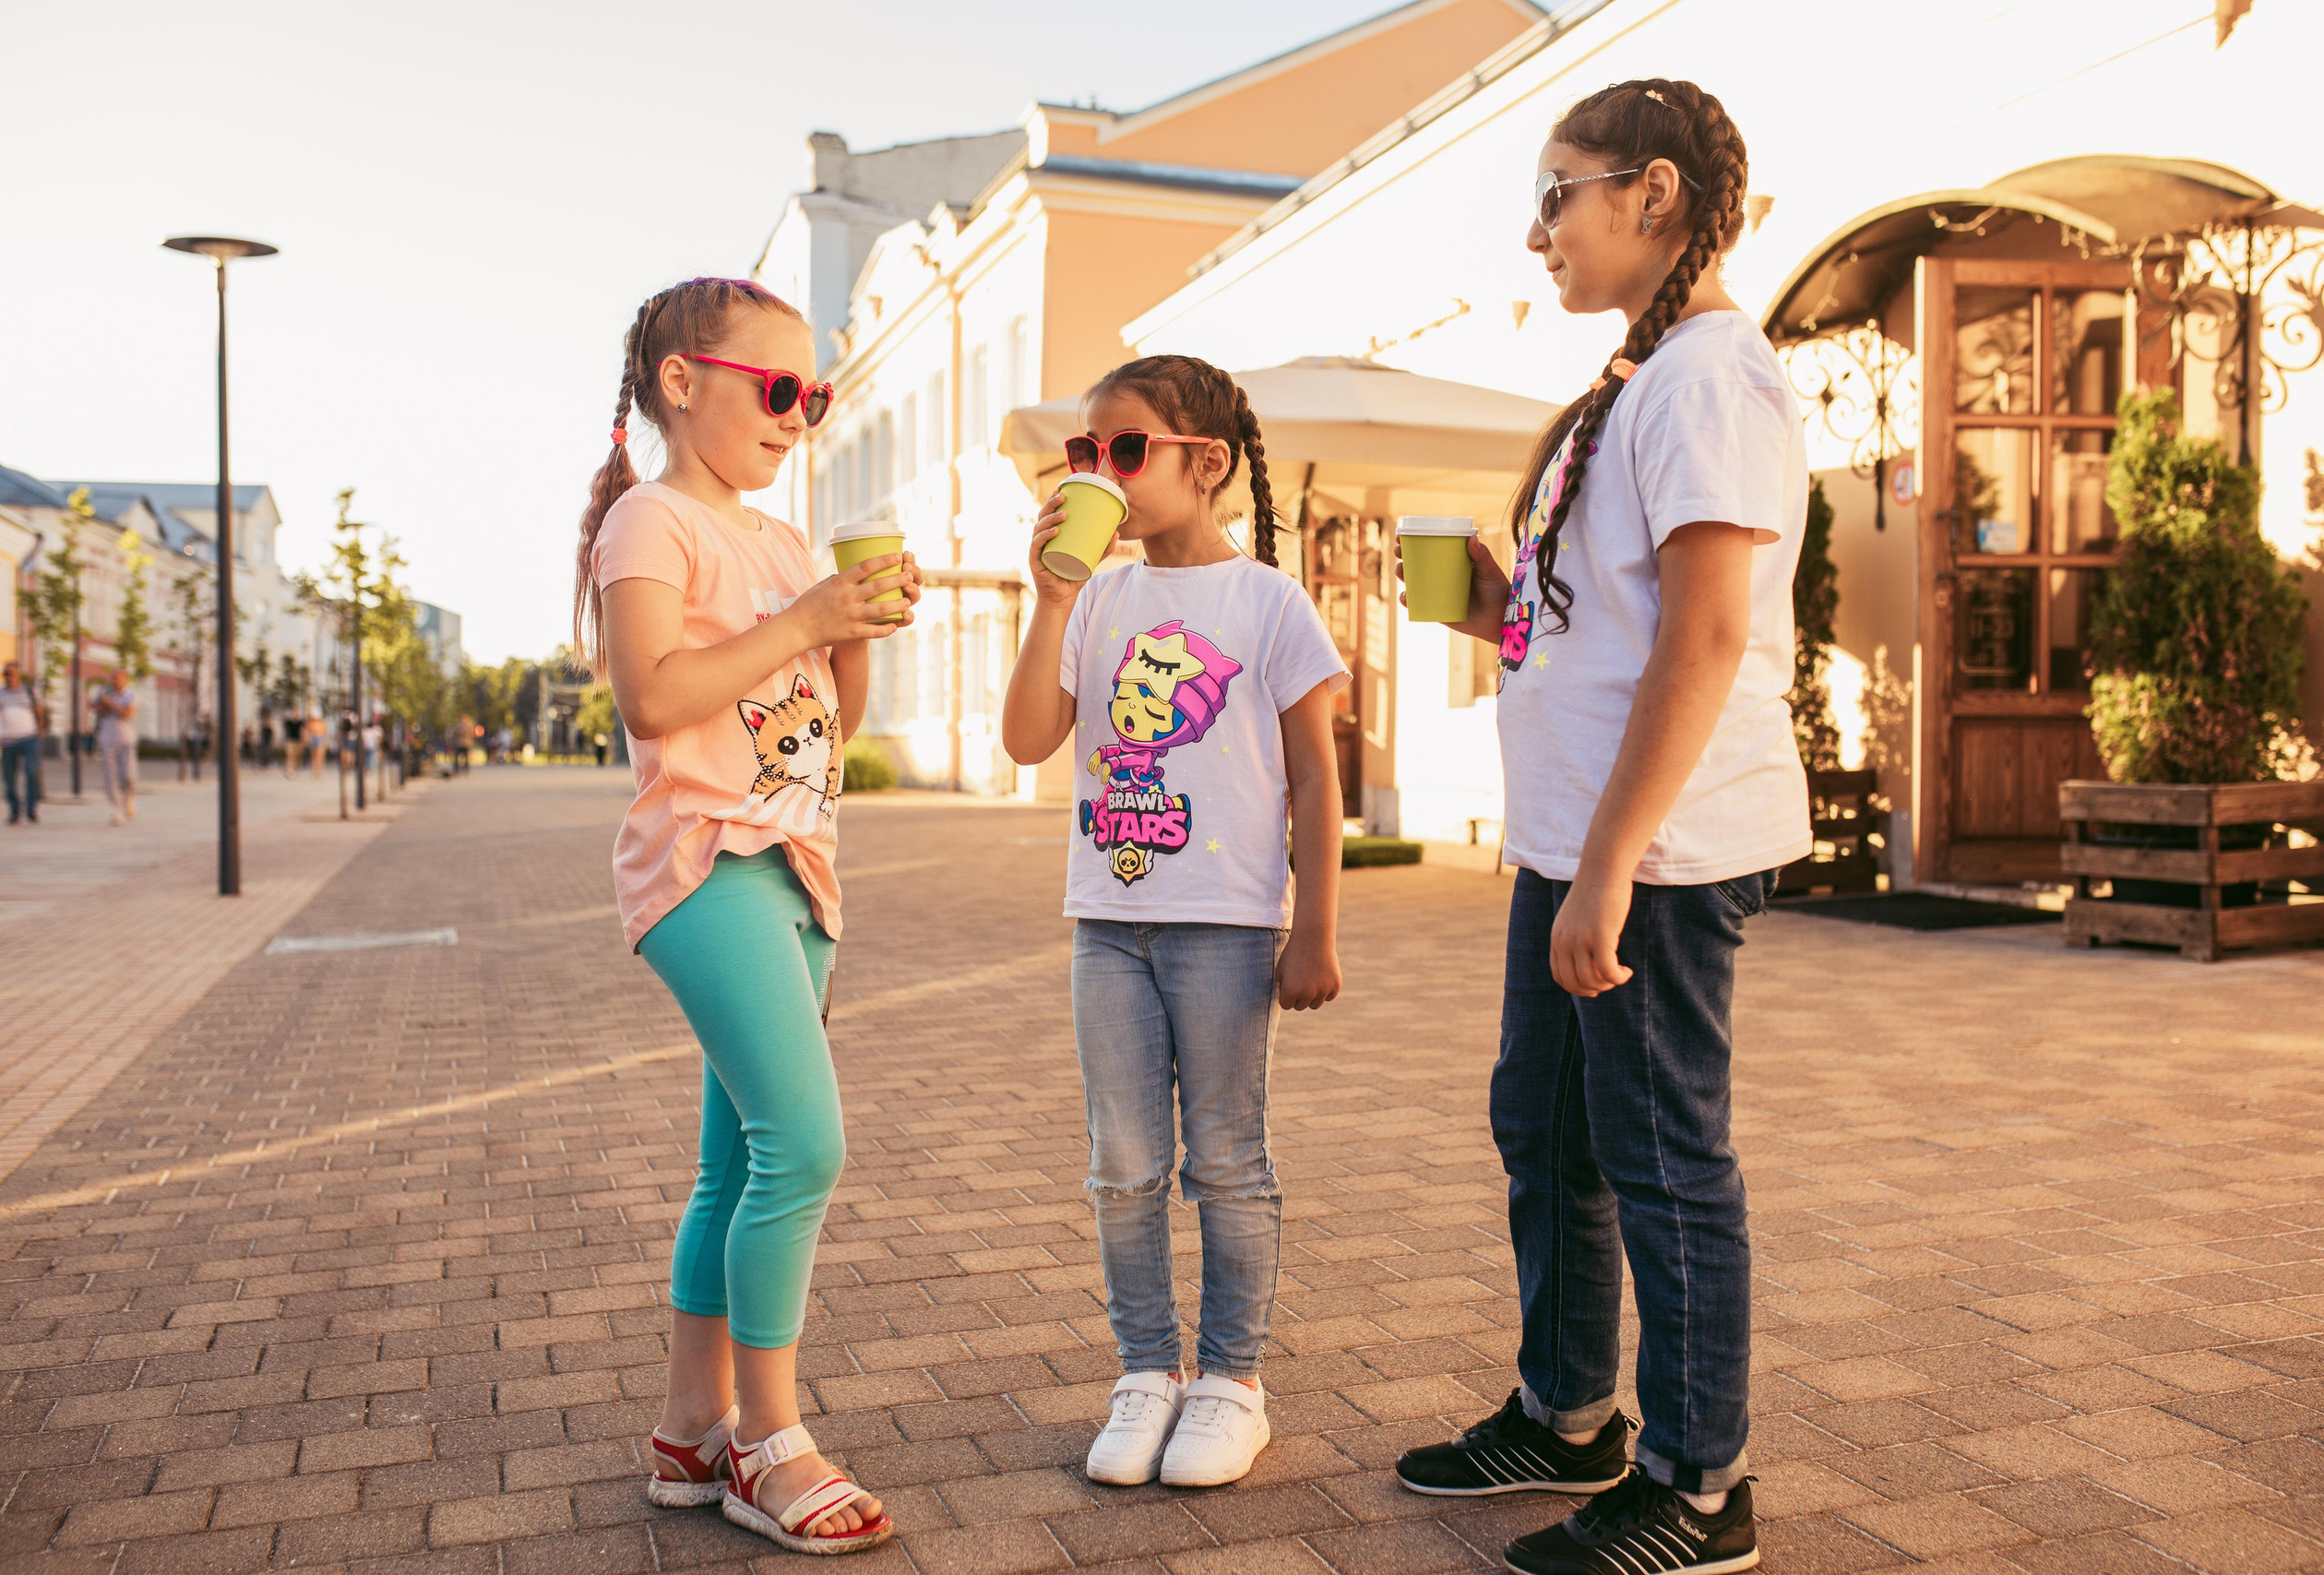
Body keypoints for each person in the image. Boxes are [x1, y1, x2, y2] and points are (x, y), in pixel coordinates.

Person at [1388, 81, 1807, 1575]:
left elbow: (1704, 642)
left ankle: (1703, 1483)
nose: (1537, 229)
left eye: (1557, 191)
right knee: (1549, 1126)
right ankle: (1568, 1411)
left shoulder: (1710, 380)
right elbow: (1631, 618)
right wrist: (1506, 607)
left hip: (1663, 853)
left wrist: (1613, 869)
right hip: (1580, 841)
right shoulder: (1647, 379)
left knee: (1660, 1151)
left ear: (1654, 196)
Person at [582, 276, 920, 1555]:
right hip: (705, 862)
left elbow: (839, 720)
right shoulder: (652, 524)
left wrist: (858, 626)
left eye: (814, 396)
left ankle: (687, 1428)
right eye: (779, 390)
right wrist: (808, 615)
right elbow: (654, 698)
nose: (798, 417)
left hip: (797, 866)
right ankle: (769, 1444)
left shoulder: (783, 542)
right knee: (805, 1145)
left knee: (736, 1162)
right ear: (685, 379)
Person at [1003, 355, 1348, 1492]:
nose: (1101, 471)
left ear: (1205, 464)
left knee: (1229, 1162)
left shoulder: (1266, 600)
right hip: (1107, 923)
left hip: (1226, 930)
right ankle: (1146, 1370)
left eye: (1126, 449)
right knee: (1122, 1166)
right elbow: (1026, 740)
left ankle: (1232, 1382)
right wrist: (1052, 593)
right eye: (1086, 453)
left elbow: (1314, 773)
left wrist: (1316, 928)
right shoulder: (1097, 596)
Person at [93, 670, 138, 826]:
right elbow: (100, 710)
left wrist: (110, 703)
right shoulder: (104, 693)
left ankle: (128, 798)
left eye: (118, 679)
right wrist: (98, 704)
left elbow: (127, 714)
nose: (115, 681)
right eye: (113, 678)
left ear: (125, 680)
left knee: (129, 777)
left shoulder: (131, 695)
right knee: (110, 778)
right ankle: (116, 812)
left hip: (127, 740)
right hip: (107, 740)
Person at [2, 662, 42, 824]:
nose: (9, 676)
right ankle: (14, 810)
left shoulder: (29, 691)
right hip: (8, 740)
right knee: (8, 777)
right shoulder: (1, 693)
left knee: (32, 772)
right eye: (6, 673)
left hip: (29, 738)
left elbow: (39, 711)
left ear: (18, 674)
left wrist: (40, 731)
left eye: (11, 673)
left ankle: (31, 809)